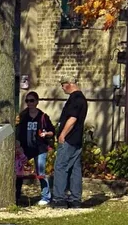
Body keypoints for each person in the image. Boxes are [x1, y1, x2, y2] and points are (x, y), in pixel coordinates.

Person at [15, 90, 56, 206]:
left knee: (40, 172)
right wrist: (18, 145)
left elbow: (52, 132)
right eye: (27, 101)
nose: (29, 103)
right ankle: (16, 196)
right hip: (25, 148)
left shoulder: (43, 117)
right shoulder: (23, 116)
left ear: (37, 102)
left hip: (39, 148)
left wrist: (46, 134)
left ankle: (46, 196)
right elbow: (17, 132)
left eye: (32, 100)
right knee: (18, 172)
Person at [53, 79, 87, 207]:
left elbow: (72, 119)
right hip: (77, 139)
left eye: (63, 85)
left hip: (69, 139)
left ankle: (59, 198)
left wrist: (63, 134)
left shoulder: (75, 99)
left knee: (60, 166)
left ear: (69, 84)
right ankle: (75, 199)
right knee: (75, 168)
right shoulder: (82, 98)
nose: (62, 88)